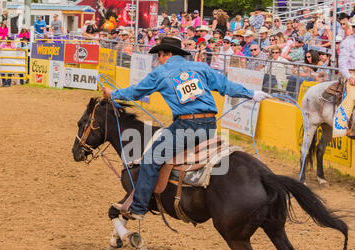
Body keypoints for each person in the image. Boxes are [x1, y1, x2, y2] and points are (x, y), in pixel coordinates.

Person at [101, 37, 271, 221]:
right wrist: (251, 93)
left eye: (159, 55)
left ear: (167, 54)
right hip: (209, 126)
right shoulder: (201, 67)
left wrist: (113, 95)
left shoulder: (161, 73)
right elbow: (225, 86)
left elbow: (135, 92)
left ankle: (139, 207)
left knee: (151, 157)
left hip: (186, 127)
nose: (158, 59)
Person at [334, 19, 355, 137]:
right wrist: (349, 76)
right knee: (352, 96)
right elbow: (342, 64)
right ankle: (342, 125)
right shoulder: (347, 42)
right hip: (351, 74)